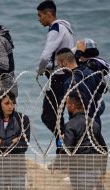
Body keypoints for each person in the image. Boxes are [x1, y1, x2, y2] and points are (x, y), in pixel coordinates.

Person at [35, 1, 74, 137]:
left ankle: (64, 140)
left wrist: (40, 69)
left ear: (49, 14)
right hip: (66, 74)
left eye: (40, 15)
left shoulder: (55, 29)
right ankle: (64, 142)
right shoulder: (66, 27)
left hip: (59, 76)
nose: (39, 19)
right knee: (59, 115)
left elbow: (46, 55)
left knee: (49, 116)